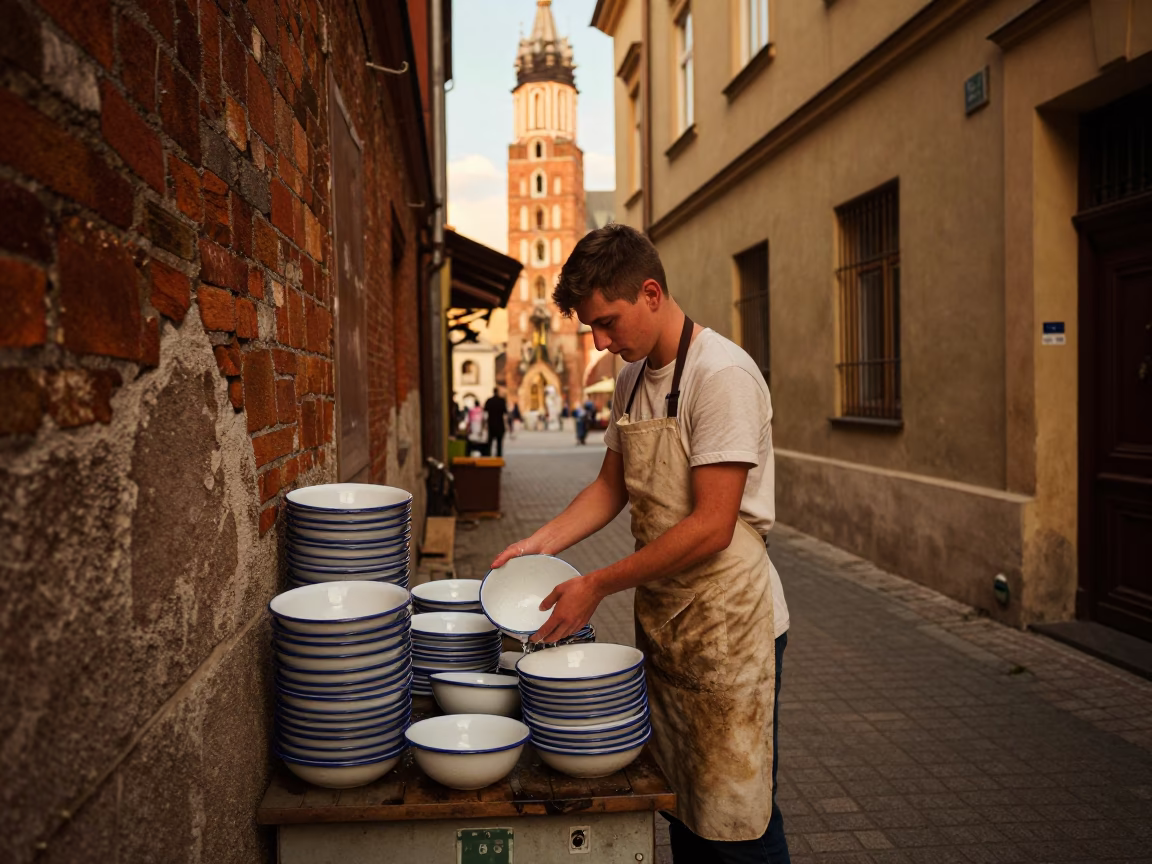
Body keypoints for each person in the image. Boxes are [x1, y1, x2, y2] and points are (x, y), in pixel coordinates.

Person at [491, 224, 790, 863]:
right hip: (670, 619)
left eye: (607, 322)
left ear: (651, 292)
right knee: (681, 800)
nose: (599, 342)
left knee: (738, 819)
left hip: (730, 626)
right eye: (590, 329)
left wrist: (596, 583)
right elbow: (610, 488)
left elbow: (712, 525)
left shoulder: (723, 375)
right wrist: (534, 545)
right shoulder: (631, 378)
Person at [484, 388, 508, 458]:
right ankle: (498, 457)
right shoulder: (501, 401)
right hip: (500, 424)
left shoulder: (489, 401)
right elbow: (505, 413)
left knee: (490, 442)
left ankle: (488, 456)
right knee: (499, 443)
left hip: (491, 424)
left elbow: (485, 412)